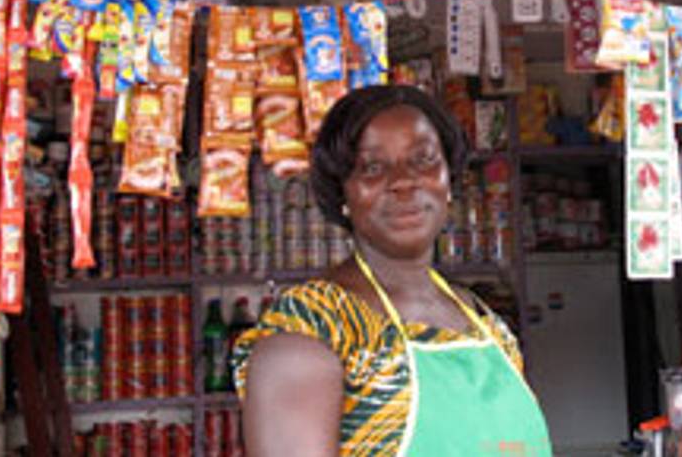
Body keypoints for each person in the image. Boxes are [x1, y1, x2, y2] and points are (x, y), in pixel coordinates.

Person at [234, 84, 552, 456]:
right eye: (372, 167)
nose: (403, 181)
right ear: (343, 194)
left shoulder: (485, 325)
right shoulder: (315, 328)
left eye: (423, 159)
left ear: (449, 180)